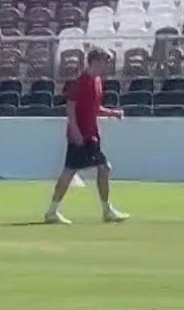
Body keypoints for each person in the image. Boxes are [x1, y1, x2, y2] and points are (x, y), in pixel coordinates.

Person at [47, 48, 130, 224]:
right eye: (105, 62)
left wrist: (111, 113)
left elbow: (94, 108)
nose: (107, 66)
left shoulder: (98, 82)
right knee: (76, 171)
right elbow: (70, 108)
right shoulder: (79, 82)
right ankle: (53, 211)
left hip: (92, 134)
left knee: (96, 169)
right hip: (81, 135)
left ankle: (105, 209)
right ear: (94, 62)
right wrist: (75, 130)